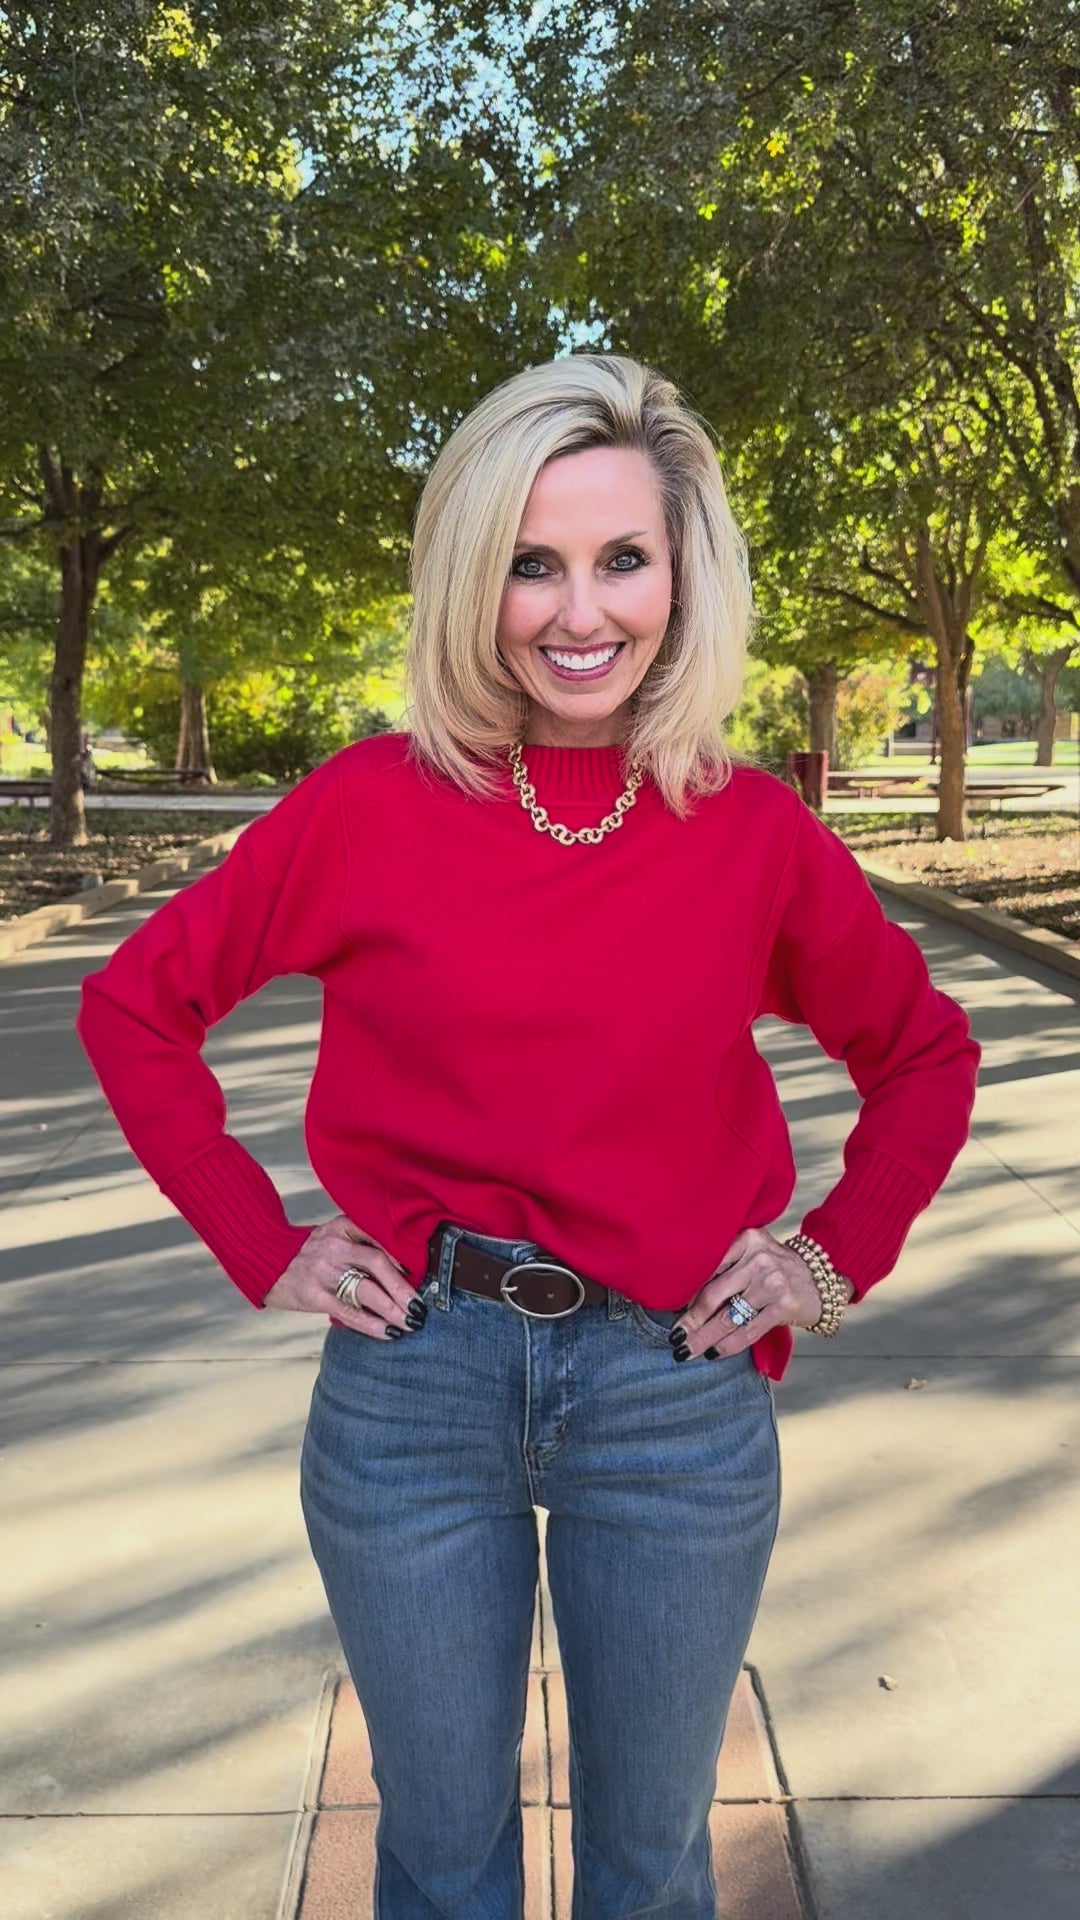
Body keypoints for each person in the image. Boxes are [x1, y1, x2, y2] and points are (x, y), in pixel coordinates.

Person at [76, 353, 980, 1920]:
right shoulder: (367, 806)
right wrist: (260, 1237)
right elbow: (134, 1008)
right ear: (468, 582)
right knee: (439, 1861)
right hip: (417, 1386)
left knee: (648, 1865)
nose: (581, 611)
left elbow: (923, 1051)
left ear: (684, 573)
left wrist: (829, 1260)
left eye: (624, 558)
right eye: (530, 563)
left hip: (673, 1395)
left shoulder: (751, 828)